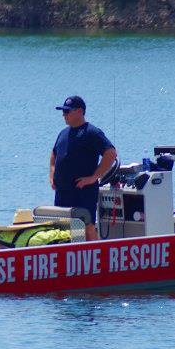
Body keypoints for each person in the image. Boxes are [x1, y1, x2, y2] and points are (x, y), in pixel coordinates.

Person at [49, 95, 117, 242]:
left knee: (87, 226)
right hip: (62, 192)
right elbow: (54, 154)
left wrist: (94, 177)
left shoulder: (92, 132)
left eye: (67, 111)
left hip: (83, 192)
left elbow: (111, 153)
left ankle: (96, 254)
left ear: (79, 111)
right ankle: (71, 253)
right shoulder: (63, 133)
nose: (64, 115)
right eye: (63, 112)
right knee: (65, 229)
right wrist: (52, 176)